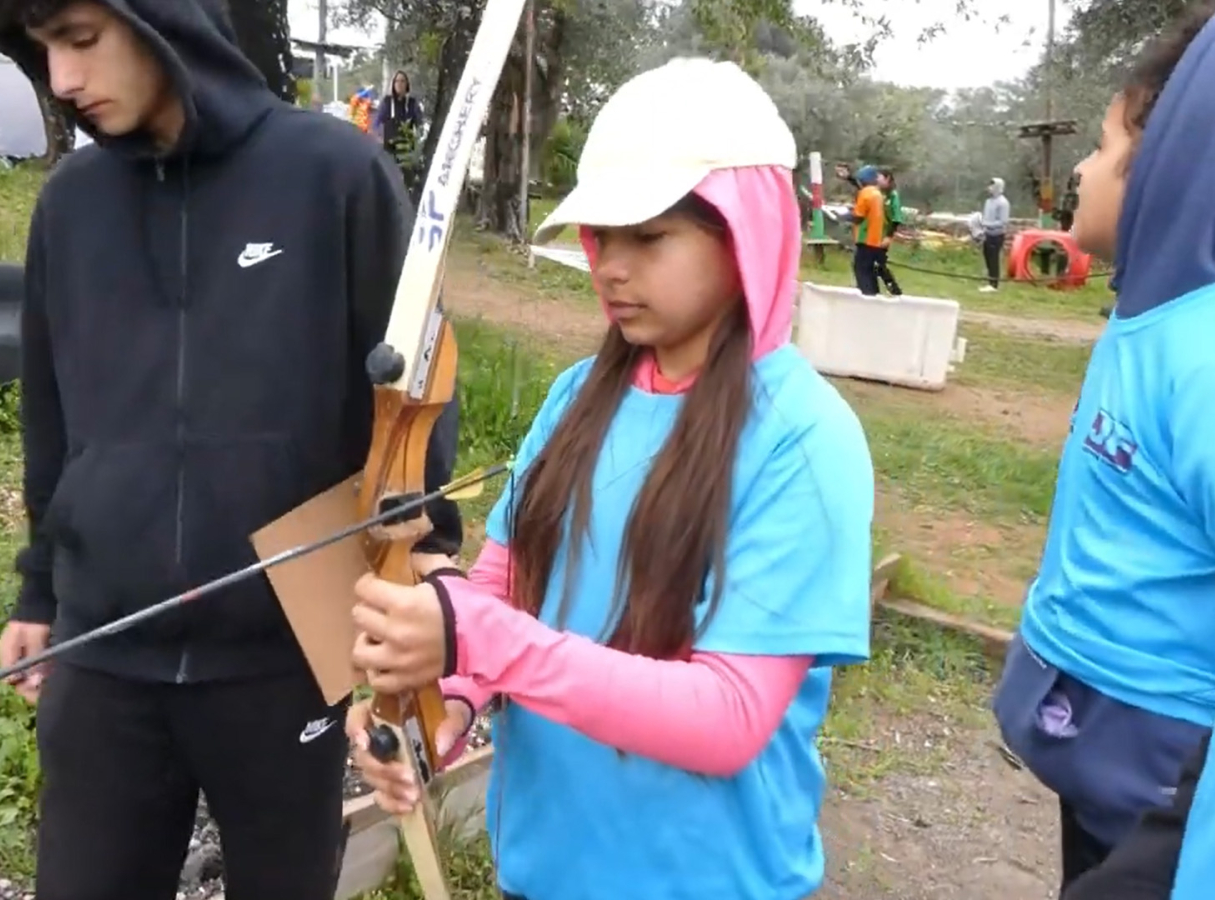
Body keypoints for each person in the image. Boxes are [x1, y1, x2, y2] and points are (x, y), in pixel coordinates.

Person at [344, 56, 875, 900]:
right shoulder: (576, 398)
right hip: (544, 869)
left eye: (648, 237)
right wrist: (440, 698)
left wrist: (483, 642)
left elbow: (730, 717)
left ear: (745, 232)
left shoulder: (806, 440)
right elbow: (505, 584)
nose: (610, 268)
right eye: (601, 236)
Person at [0, 0, 462, 898]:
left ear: (169, 22)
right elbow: (52, 415)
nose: (63, 80)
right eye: (46, 50)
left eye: (83, 41)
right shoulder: (69, 207)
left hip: (282, 658)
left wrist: (423, 558)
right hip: (105, 652)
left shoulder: (334, 174)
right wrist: (40, 585)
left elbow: (413, 397)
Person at [990, 3, 1215, 892]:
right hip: (1092, 740)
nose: (1083, 168)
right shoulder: (1147, 316)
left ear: (1178, 163)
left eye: (1104, 147)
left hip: (1152, 775)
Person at [375, 69, 423, 196]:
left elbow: (419, 124)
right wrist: (378, 137)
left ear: (407, 84)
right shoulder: (387, 102)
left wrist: (417, 140)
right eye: (397, 81)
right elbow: (377, 123)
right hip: (389, 148)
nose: (399, 84)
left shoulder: (412, 103)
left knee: (407, 182)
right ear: (393, 84)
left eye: (402, 81)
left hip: (406, 150)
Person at [849, 164, 888, 296]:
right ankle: (874, 297)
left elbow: (859, 217)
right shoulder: (877, 194)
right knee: (870, 272)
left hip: (864, 238)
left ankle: (867, 299)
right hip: (875, 239)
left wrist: (843, 216)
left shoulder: (865, 193)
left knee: (861, 271)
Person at [874, 167, 904, 296]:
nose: (876, 179)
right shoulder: (878, 193)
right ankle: (878, 289)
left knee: (879, 263)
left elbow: (896, 218)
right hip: (875, 233)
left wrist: (889, 236)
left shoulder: (893, 196)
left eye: (879, 177)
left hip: (884, 234)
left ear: (887, 179)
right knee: (874, 263)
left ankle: (894, 289)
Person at [978, 176, 1011, 291]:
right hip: (987, 233)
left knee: (994, 259)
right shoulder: (988, 201)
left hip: (996, 235)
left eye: (992, 185)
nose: (990, 188)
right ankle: (990, 281)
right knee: (987, 256)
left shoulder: (1003, 203)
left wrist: (987, 224)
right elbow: (986, 216)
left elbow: (1003, 221)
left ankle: (994, 284)